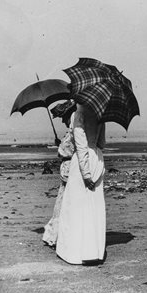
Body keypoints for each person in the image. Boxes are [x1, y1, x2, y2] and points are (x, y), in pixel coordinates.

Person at [56, 102, 107, 264]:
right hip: (97, 158)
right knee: (94, 206)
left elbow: (81, 145)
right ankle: (95, 251)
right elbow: (102, 143)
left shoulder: (77, 114)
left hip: (82, 162)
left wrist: (86, 173)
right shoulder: (100, 112)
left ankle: (76, 253)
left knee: (75, 207)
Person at [42, 100, 77, 248]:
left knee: (65, 202)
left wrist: (60, 147)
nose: (62, 121)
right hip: (68, 167)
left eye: (63, 117)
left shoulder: (73, 131)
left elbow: (66, 151)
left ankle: (60, 235)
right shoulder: (71, 131)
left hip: (70, 168)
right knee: (64, 201)